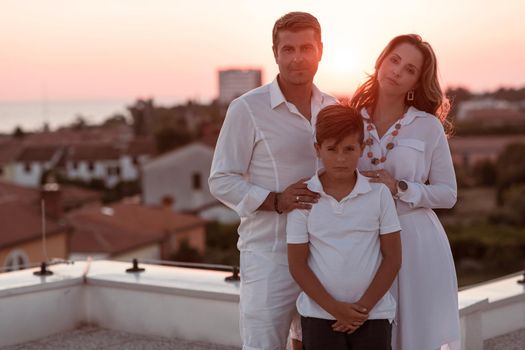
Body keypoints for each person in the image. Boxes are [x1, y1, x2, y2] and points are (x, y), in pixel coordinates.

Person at [208, 12, 337, 350]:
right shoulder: (247, 109)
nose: (297, 58)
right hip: (270, 254)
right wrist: (276, 200)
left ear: (320, 50)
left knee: (314, 344)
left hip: (325, 253)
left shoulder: (333, 109)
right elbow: (220, 180)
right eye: (288, 49)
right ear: (275, 52)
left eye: (306, 48)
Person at [350, 34, 460, 350]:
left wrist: (400, 188)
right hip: (362, 240)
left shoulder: (427, 126)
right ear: (381, 61)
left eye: (410, 69)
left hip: (416, 243)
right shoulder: (349, 120)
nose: (398, 71)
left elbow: (447, 193)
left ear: (416, 81)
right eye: (395, 60)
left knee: (415, 335)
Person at [287, 104, 402, 350]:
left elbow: (393, 258)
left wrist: (361, 311)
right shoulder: (304, 198)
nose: (340, 158)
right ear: (318, 150)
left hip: (374, 315)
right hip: (320, 316)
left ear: (362, 148)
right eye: (332, 149)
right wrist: (336, 309)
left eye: (349, 149)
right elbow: (297, 265)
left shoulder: (378, 194)